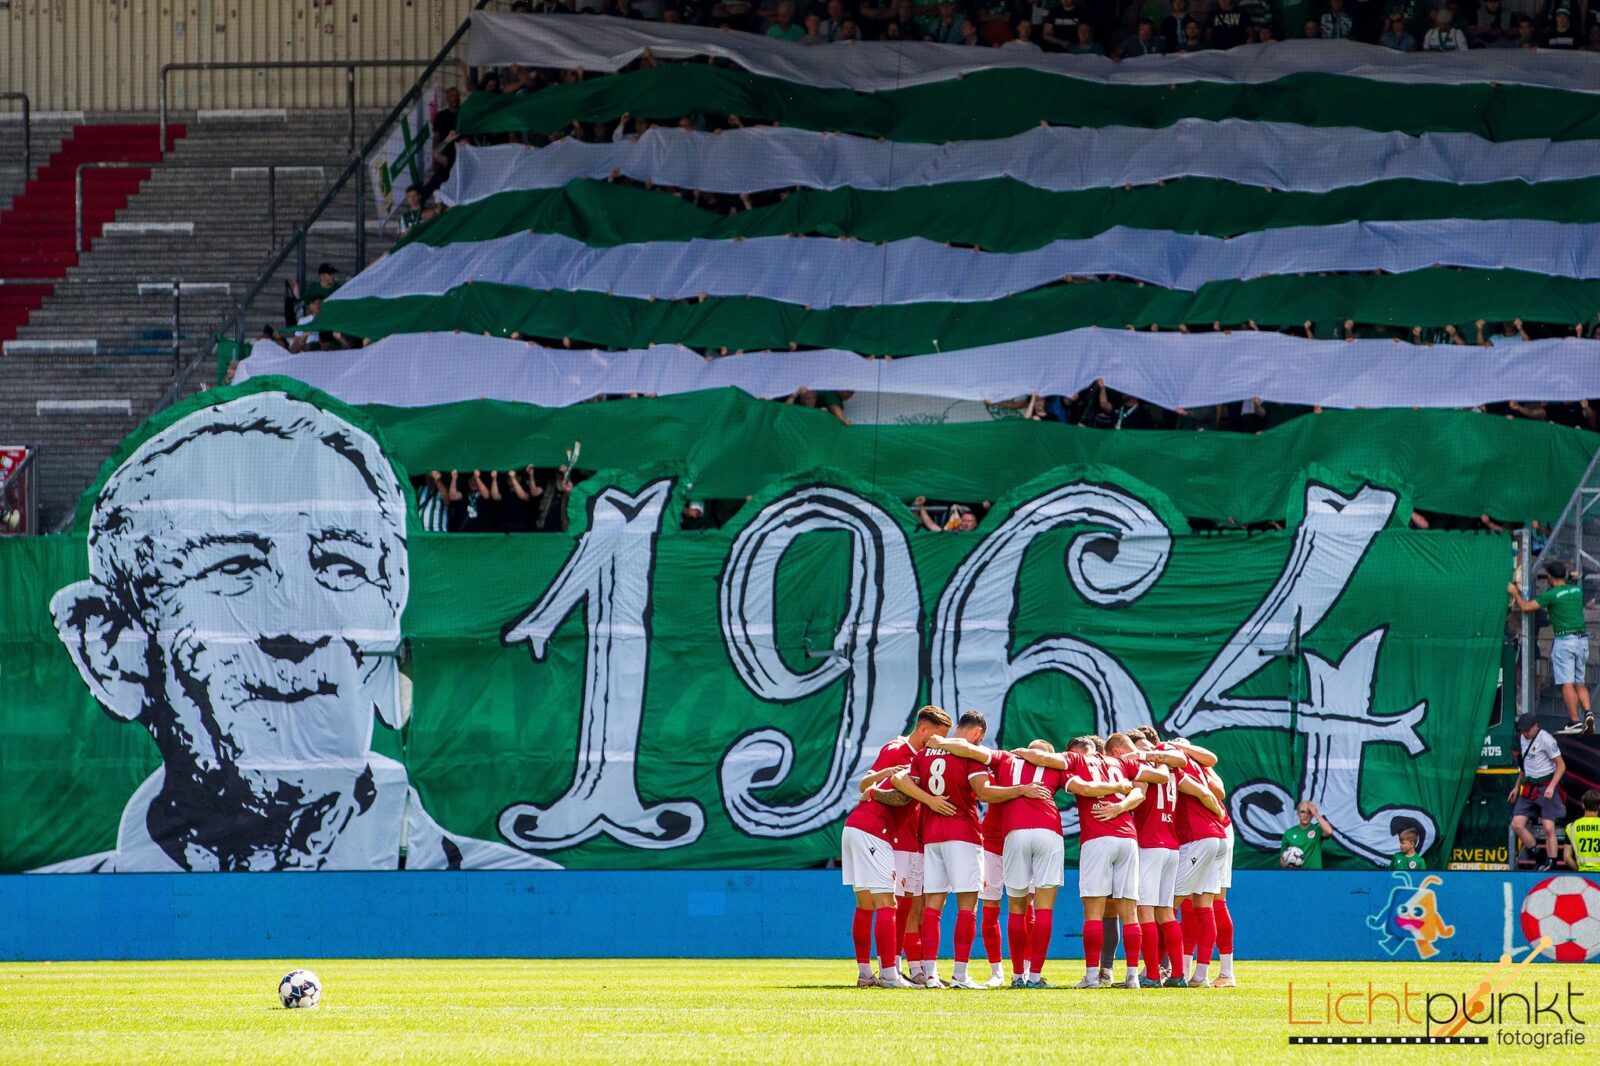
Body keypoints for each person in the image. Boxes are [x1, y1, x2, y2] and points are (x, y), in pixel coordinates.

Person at [38, 392, 556, 872]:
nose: (296, 626)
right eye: (234, 567)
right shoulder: (51, 923)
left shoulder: (521, 896)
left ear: (392, 624)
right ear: (107, 648)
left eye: (341, 567)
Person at [913, 712, 1052, 988]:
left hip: (931, 834)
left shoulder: (923, 754)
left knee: (932, 906)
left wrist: (929, 801)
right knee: (967, 905)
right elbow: (985, 792)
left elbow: (909, 782)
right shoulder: (969, 756)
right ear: (977, 733)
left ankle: (929, 974)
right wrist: (1021, 789)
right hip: (962, 832)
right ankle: (960, 975)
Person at [842, 759, 955, 987]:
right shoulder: (912, 775)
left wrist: (873, 789)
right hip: (873, 831)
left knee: (865, 905)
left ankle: (865, 974)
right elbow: (899, 793)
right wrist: (928, 799)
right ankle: (889, 975)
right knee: (887, 903)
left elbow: (879, 786)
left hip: (855, 827)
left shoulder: (911, 773)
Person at [866, 705, 952, 985]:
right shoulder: (896, 749)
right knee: (895, 904)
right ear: (924, 730)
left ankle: (912, 968)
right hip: (895, 838)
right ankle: (888, 967)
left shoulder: (926, 756)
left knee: (913, 905)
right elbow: (874, 784)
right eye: (937, 736)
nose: (939, 743)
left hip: (918, 840)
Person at [1508, 561, 1595, 735]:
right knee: (1579, 682)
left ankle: (1575, 722)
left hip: (1565, 640)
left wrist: (1514, 593)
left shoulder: (1551, 594)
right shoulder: (1577, 591)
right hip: (1582, 641)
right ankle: (1588, 713)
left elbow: (1526, 607)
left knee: (1567, 683)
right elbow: (1573, 580)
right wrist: (1569, 577)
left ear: (1549, 576)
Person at [1510, 712, 1567, 871]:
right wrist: (1516, 787)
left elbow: (1561, 766)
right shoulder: (1522, 739)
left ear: (1536, 727)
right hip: (1529, 786)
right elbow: (1524, 766)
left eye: (1527, 730)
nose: (1525, 733)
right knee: (1517, 824)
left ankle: (1552, 862)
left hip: (1546, 785)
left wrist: (1551, 787)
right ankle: (1538, 855)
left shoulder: (1547, 740)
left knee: (1548, 828)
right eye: (1522, 730)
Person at [1280, 799, 1332, 869]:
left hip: (1314, 874)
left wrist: (1316, 814)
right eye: (1302, 812)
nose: (1306, 815)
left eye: (1309, 812)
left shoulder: (1317, 829)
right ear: (1298, 813)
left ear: (1312, 815)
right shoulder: (1289, 833)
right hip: (1296, 875)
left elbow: (1329, 831)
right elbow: (1282, 858)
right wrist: (1288, 866)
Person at [1563, 789, 1600, 872]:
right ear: (1599, 806)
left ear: (1583, 805)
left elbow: (1567, 858)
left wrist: (1579, 870)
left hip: (1584, 873)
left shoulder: (1571, 827)